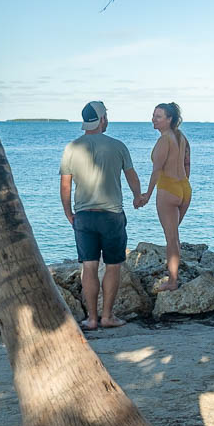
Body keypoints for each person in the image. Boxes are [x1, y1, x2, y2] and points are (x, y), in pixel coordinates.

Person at [60, 100, 144, 330]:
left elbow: (65, 185)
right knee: (113, 266)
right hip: (112, 216)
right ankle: (108, 316)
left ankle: (92, 319)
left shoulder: (71, 148)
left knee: (89, 266)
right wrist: (138, 197)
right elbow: (131, 177)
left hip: (84, 216)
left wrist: (69, 213)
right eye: (106, 116)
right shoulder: (118, 146)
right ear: (102, 120)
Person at [136, 102, 191, 291]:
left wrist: (147, 195)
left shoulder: (164, 140)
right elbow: (187, 163)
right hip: (184, 188)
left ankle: (172, 281)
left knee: (171, 239)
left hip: (168, 189)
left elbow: (157, 171)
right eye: (153, 115)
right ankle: (173, 277)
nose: (153, 119)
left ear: (169, 120)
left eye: (158, 116)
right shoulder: (181, 137)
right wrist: (183, 185)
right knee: (174, 237)